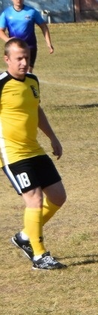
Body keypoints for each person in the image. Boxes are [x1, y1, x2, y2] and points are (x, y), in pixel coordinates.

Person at [1, 38, 67, 270]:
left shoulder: (32, 81)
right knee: (35, 199)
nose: (24, 63)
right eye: (19, 58)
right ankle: (39, 256)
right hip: (12, 153)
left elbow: (36, 110)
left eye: (26, 58)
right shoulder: (1, 83)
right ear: (7, 59)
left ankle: (25, 236)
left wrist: (52, 137)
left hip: (34, 150)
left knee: (58, 196)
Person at [0, 0, 54, 70]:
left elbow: (44, 26)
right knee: (15, 72)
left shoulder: (32, 12)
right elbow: (0, 31)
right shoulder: (6, 13)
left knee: (28, 72)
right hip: (15, 48)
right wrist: (7, 40)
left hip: (30, 47)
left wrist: (49, 43)